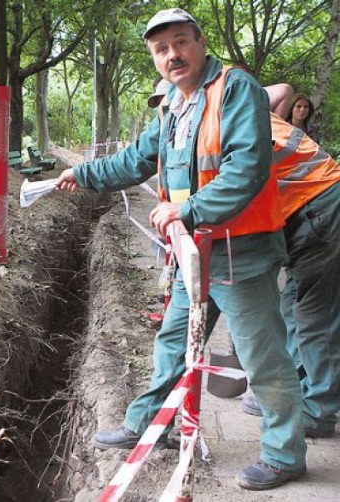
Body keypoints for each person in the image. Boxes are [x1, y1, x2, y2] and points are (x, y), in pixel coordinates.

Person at [55, 8, 307, 491]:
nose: (173, 55)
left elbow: (247, 169)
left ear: (200, 43)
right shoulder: (172, 103)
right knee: (173, 341)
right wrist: (82, 174)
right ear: (155, 59)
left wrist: (187, 210)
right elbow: (137, 158)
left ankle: (283, 454)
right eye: (161, 49)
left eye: (180, 42)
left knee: (264, 358)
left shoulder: (235, 89)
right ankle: (152, 423)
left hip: (241, 251)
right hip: (195, 252)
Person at [238, 84, 339, 439]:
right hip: (308, 209)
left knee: (316, 315)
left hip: (319, 207)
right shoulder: (246, 102)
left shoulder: (223, 113)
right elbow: (283, 89)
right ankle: (296, 387)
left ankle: (320, 410)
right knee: (293, 305)